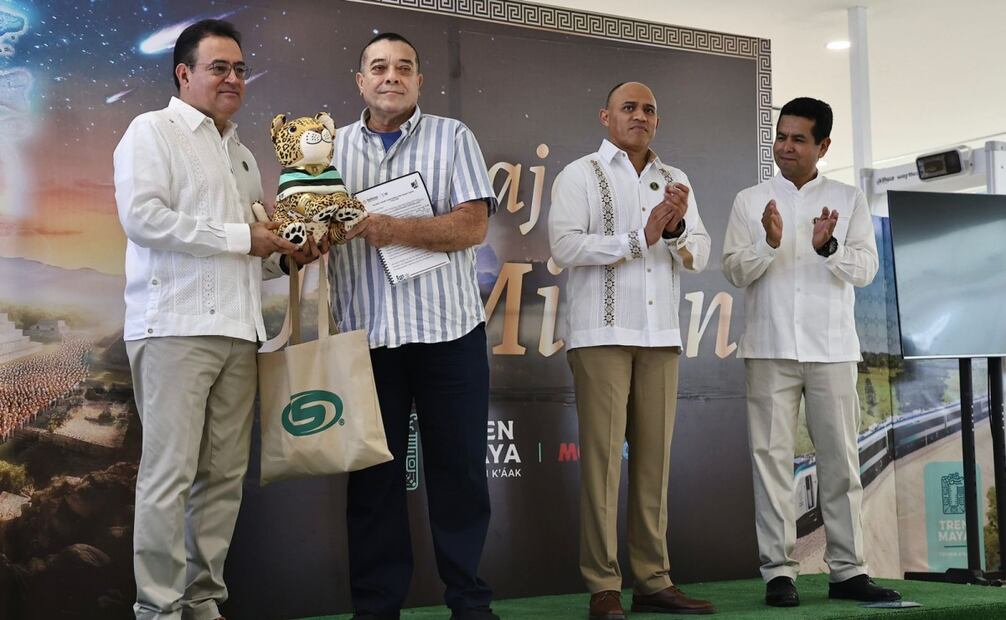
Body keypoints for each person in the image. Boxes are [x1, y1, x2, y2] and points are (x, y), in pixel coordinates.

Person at [113, 19, 321, 620]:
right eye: (218, 68)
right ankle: (158, 609)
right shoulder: (151, 131)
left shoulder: (246, 155)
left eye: (239, 69)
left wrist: (287, 258)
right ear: (184, 74)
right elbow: (144, 219)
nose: (233, 79)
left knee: (223, 479)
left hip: (240, 332)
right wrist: (245, 237)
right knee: (168, 476)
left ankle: (204, 603)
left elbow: (248, 257)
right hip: (173, 328)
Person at [327, 32, 498, 620]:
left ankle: (470, 603)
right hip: (366, 338)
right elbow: (307, 230)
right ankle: (376, 610)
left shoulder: (454, 137)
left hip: (450, 334)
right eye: (378, 67)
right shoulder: (328, 150)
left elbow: (472, 227)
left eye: (404, 67)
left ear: (420, 80)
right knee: (373, 486)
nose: (391, 76)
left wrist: (386, 227)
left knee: (460, 477)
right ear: (360, 80)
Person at [722, 97, 900, 607]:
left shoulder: (848, 199)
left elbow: (865, 270)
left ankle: (848, 571)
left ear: (823, 145)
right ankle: (779, 572)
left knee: (841, 462)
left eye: (799, 139)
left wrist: (829, 248)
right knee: (771, 462)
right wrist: (769, 243)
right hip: (769, 347)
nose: (786, 147)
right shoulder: (750, 200)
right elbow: (734, 270)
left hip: (832, 348)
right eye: (781, 136)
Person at [548, 81, 715, 620]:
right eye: (629, 108)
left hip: (661, 335)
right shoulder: (580, 174)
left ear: (657, 122)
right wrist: (639, 237)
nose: (640, 116)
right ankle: (603, 585)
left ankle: (652, 581)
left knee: (653, 466)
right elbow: (565, 246)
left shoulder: (676, 181)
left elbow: (701, 255)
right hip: (600, 335)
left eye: (649, 109)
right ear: (606, 117)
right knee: (600, 467)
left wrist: (677, 227)